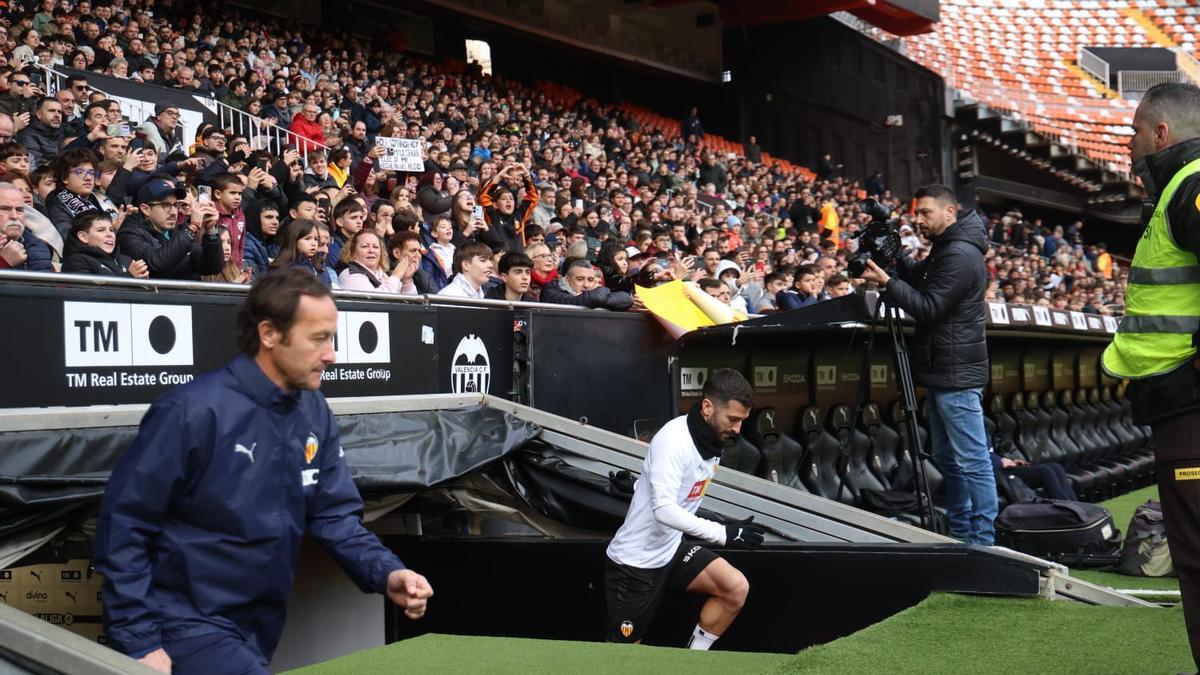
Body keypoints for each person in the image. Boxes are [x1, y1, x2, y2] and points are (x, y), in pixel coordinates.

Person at [94, 269, 433, 674]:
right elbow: (124, 524)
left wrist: (388, 572)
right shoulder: (192, 411)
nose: (332, 355)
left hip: (256, 629)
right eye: (319, 338)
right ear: (269, 334)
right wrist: (140, 640)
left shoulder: (313, 410)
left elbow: (335, 516)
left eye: (333, 338)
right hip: (182, 626)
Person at [1100, 82, 1200, 668]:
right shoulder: (1178, 188)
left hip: (1190, 403)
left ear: (1160, 133)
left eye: (1135, 132)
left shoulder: (1190, 184)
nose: (1130, 144)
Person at [860, 183, 994, 545]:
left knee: (971, 460)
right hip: (944, 369)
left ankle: (983, 540)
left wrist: (889, 282)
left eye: (926, 213)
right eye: (916, 213)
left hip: (955, 373)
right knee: (951, 460)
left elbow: (930, 307)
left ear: (950, 212)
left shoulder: (961, 254)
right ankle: (965, 532)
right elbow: (921, 280)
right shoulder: (949, 247)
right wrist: (897, 255)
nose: (919, 219)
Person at [606, 368, 763, 649]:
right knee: (624, 657)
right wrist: (724, 533)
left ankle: (691, 662)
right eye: (733, 419)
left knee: (734, 588)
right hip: (636, 564)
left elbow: (679, 491)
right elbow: (665, 510)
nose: (738, 429)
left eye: (742, 421)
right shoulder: (674, 440)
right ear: (707, 407)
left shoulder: (712, 438)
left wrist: (637, 487)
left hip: (672, 550)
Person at [116, 179, 224, 280]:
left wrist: (211, 230)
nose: (173, 212)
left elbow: (211, 267)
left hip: (187, 298)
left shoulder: (175, 232)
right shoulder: (129, 233)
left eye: (176, 205)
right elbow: (156, 263)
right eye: (166, 205)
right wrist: (192, 227)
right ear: (146, 209)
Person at [62, 211, 148, 277]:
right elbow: (90, 296)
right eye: (101, 230)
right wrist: (130, 277)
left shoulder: (125, 260)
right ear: (83, 237)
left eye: (111, 230)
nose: (110, 234)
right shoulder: (75, 262)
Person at [337, 229, 413, 293]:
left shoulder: (386, 275)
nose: (371, 250)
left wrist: (406, 281)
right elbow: (376, 301)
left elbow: (411, 305)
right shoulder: (349, 274)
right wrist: (396, 276)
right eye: (365, 246)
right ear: (352, 251)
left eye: (375, 247)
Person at [542, 258, 635, 310]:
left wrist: (600, 296)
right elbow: (596, 298)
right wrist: (599, 295)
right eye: (580, 279)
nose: (586, 285)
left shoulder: (599, 294)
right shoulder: (551, 289)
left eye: (590, 280)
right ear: (567, 279)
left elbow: (626, 298)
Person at [0, 181, 52, 271]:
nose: (14, 216)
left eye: (19, 210)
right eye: (5, 209)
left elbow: (49, 284)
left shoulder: (38, 247)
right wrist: (4, 262)